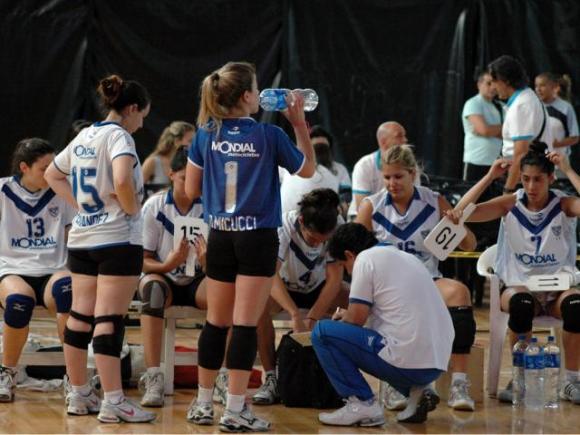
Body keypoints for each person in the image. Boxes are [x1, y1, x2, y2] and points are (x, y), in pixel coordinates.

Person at [185, 61, 315, 432]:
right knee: (244, 325)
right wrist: (299, 123)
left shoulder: (205, 134)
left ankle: (203, 403)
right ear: (245, 96)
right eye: (256, 89)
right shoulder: (269, 135)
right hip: (257, 237)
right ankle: (235, 410)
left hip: (220, 235)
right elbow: (307, 170)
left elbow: (190, 190)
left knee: (216, 323)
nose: (260, 95)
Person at [45, 74, 156, 423]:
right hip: (117, 239)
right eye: (142, 116)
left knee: (79, 317)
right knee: (108, 319)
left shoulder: (84, 135)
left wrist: (80, 205)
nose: (141, 124)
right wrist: (131, 209)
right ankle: (114, 401)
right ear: (132, 108)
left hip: (83, 239)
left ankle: (79, 393)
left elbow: (51, 174)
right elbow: (122, 178)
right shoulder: (120, 137)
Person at [451, 142, 580, 405]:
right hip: (520, 288)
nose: (531, 186)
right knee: (521, 305)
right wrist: (490, 176)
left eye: (538, 179)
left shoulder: (563, 204)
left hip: (557, 290)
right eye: (526, 179)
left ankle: (572, 380)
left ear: (551, 178)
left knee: (577, 307)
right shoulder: (511, 204)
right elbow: (461, 213)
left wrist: (568, 168)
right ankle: (520, 378)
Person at [356, 144, 478, 411]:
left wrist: (458, 225)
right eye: (387, 177)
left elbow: (469, 245)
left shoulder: (434, 201)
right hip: (387, 287)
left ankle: (458, 384)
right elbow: (354, 253)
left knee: (459, 293)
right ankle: (394, 381)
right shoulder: (371, 206)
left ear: (413, 174)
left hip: (427, 280)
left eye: (398, 176)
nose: (392, 183)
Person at [312, 223, 454, 425]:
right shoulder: (408, 258)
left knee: (323, 332)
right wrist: (350, 315)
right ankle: (417, 391)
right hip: (436, 363)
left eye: (344, 265)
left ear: (349, 254)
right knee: (384, 341)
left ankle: (362, 403)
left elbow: (356, 319)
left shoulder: (365, 259)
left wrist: (344, 317)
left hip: (407, 361)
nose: (347, 271)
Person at [253, 188, 348, 405]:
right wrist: (295, 314)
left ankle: (343, 381)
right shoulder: (283, 225)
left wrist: (313, 317)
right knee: (257, 306)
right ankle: (271, 378)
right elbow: (270, 275)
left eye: (322, 241)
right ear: (302, 221)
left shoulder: (337, 226)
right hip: (285, 289)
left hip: (319, 288)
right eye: (312, 239)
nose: (316, 244)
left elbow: (335, 279)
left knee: (360, 301)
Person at [0, 138, 75, 402]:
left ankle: (75, 377)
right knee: (18, 302)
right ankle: (7, 372)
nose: (51, 172)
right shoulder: (3, 191)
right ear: (24, 167)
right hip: (13, 268)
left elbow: (73, 234)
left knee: (67, 292)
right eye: (44, 168)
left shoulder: (62, 191)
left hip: (53, 268)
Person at [138, 146, 208, 407]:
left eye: (196, 179)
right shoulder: (155, 206)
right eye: (184, 178)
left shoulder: (209, 207)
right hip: (162, 276)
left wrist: (207, 261)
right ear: (171, 175)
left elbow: (219, 267)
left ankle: (219, 377)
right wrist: (168, 264)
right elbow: (141, 260)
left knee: (225, 295)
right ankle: (153, 376)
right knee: (153, 293)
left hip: (197, 279)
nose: (190, 185)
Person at [487, 55, 553, 194]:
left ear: (505, 81)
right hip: (523, 179)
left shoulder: (522, 105)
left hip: (521, 183)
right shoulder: (526, 98)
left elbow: (521, 154)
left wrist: (508, 190)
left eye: (494, 82)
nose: (493, 87)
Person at [349, 121, 408, 218]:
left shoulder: (411, 165)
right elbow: (361, 207)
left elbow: (413, 201)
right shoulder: (364, 166)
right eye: (399, 136)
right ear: (383, 142)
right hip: (363, 218)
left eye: (398, 176)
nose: (405, 140)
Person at [461, 69, 503, 181]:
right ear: (479, 84)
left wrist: (489, 130)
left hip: (495, 164)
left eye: (494, 83)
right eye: (488, 83)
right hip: (476, 162)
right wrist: (494, 130)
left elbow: (509, 133)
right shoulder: (473, 103)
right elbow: (484, 130)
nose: (493, 87)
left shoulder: (499, 106)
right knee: (472, 193)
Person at [535, 72, 579, 159]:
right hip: (537, 161)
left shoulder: (566, 108)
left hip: (560, 161)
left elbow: (575, 137)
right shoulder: (533, 107)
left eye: (542, 85)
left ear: (553, 87)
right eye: (536, 86)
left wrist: (556, 144)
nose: (538, 89)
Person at [142, 121, 195, 188]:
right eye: (190, 141)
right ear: (177, 141)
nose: (194, 145)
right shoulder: (152, 162)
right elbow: (137, 188)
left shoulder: (190, 162)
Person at [310, 125, 352, 201]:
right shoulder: (299, 170)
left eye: (323, 147)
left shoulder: (340, 169)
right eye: (316, 147)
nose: (320, 151)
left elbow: (346, 194)